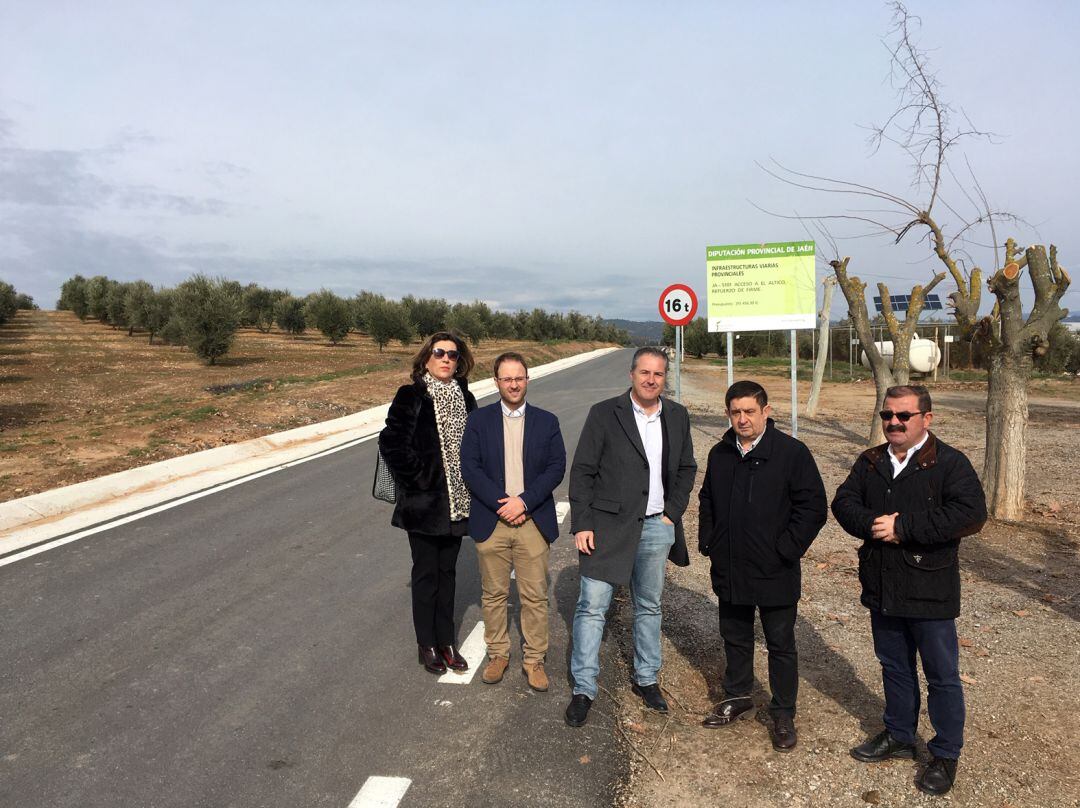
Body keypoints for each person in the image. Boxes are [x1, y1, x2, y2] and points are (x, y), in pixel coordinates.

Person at [832, 385, 987, 797]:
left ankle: (945, 753)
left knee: (941, 675)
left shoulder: (949, 463)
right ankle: (899, 734)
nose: (894, 423)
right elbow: (843, 502)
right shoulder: (870, 461)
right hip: (883, 585)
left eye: (903, 416)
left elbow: (971, 514)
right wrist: (873, 524)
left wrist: (904, 528)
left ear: (926, 419)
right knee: (894, 666)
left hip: (930, 588)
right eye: (887, 415)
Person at [564, 347, 697, 727]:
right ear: (632, 374)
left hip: (657, 527)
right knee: (592, 607)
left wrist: (673, 512)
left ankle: (646, 678)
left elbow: (687, 466)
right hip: (606, 529)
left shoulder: (677, 415)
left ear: (664, 377)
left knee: (649, 605)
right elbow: (583, 471)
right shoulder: (605, 414)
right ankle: (584, 688)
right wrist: (583, 523)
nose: (651, 379)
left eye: (658, 373)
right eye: (644, 372)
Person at [697, 381, 827, 751]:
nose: (743, 419)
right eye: (736, 412)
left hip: (775, 568)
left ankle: (783, 712)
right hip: (732, 566)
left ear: (766, 411)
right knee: (734, 636)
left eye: (750, 411)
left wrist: (787, 548)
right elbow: (707, 498)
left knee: (780, 643)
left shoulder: (791, 453)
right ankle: (737, 696)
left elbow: (813, 506)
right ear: (728, 414)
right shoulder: (720, 453)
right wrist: (710, 541)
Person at [460, 352, 566, 691]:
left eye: (519, 377)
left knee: (534, 596)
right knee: (493, 594)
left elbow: (556, 467)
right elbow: (470, 468)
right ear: (496, 382)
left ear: (527, 379)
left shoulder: (547, 421)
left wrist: (524, 501)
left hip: (532, 520)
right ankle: (498, 654)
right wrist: (501, 503)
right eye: (507, 379)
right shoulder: (478, 421)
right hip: (493, 520)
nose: (514, 384)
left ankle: (534, 660)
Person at [379, 331, 478, 675]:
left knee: (448, 574)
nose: (447, 359)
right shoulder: (411, 395)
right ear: (426, 358)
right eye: (440, 353)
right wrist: (420, 480)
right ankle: (427, 645)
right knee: (425, 575)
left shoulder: (466, 396)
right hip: (424, 506)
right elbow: (391, 442)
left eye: (453, 354)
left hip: (458, 503)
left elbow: (475, 443)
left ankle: (447, 641)